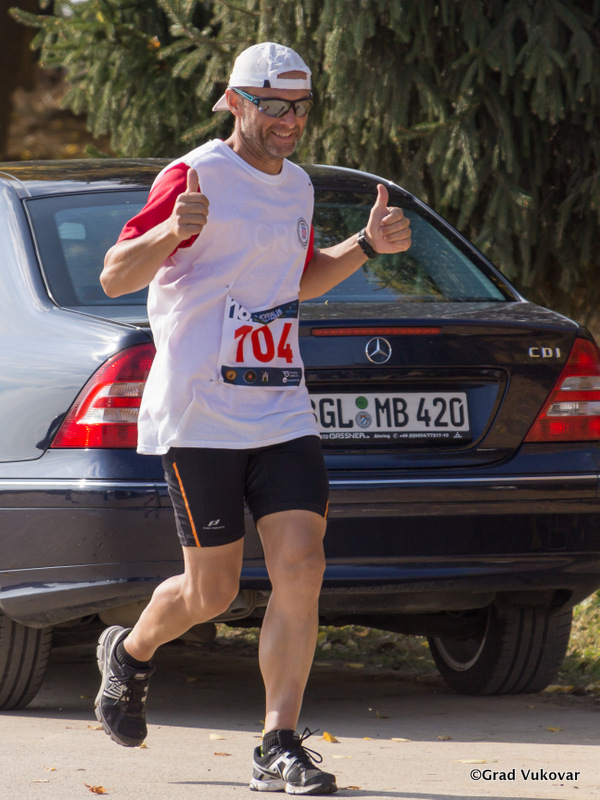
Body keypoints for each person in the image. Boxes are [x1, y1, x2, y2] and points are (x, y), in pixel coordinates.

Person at [96, 41, 411, 796]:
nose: (289, 121)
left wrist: (365, 246)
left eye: (300, 107)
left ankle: (278, 743)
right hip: (200, 412)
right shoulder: (194, 174)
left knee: (303, 564)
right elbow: (114, 276)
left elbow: (297, 281)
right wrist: (170, 232)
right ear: (235, 102)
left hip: (279, 406)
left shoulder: (297, 186)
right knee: (211, 594)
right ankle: (130, 652)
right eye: (273, 106)